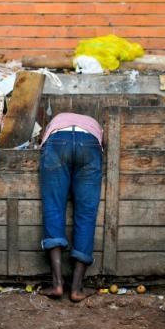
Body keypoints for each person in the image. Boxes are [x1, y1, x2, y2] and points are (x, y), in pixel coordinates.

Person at [38, 112, 103, 302]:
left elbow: (42, 140)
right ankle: (76, 288)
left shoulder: (56, 121)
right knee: (86, 214)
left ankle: (57, 284)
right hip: (90, 145)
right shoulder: (95, 125)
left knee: (53, 208)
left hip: (57, 143)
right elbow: (102, 145)